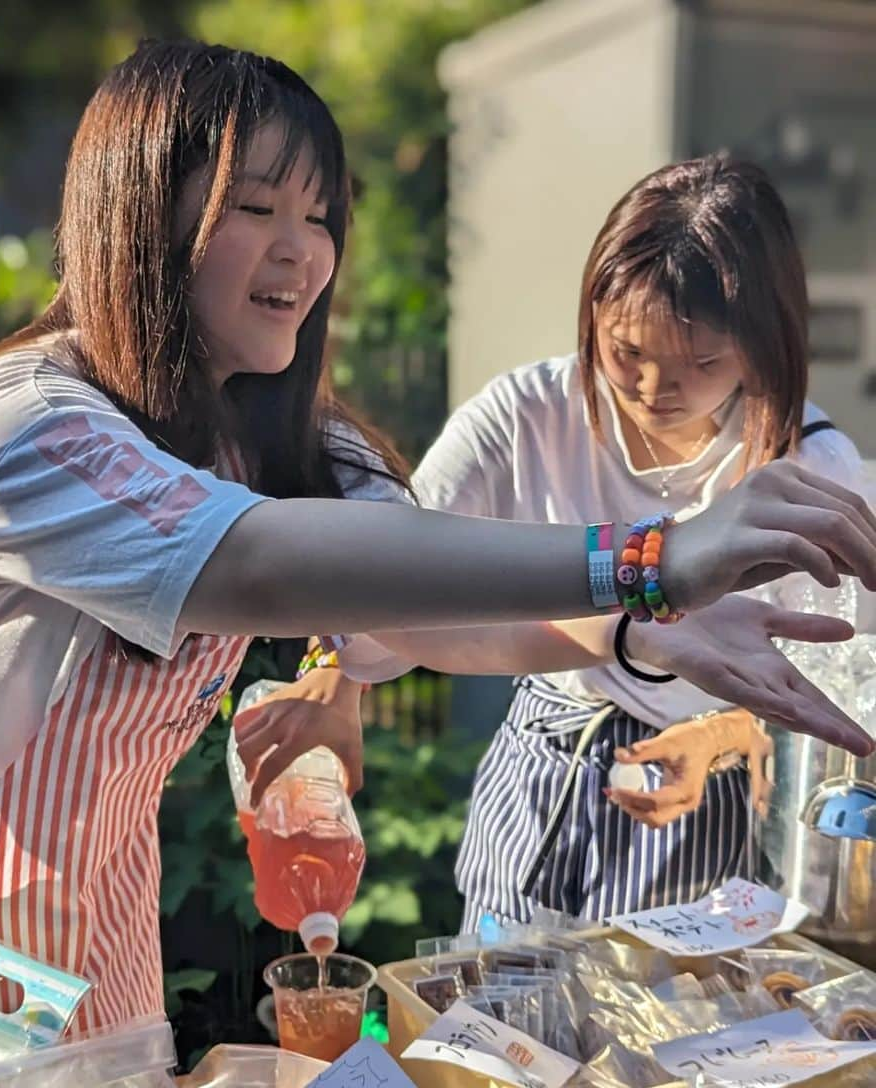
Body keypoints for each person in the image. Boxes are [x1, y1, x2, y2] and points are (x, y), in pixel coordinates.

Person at [0, 43, 875, 1031]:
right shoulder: (28, 423)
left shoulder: (278, 432)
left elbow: (411, 595)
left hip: (101, 883)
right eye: (257, 207)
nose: (301, 254)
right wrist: (650, 561)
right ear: (134, 217)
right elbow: (254, 563)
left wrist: (633, 634)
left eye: (320, 218)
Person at [239, 155, 876, 930]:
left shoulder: (811, 470)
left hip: (695, 797)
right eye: (624, 352)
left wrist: (721, 734)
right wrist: (337, 678)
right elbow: (396, 562)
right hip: (543, 762)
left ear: (765, 342)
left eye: (700, 363)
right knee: (495, 1017)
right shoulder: (526, 412)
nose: (650, 390)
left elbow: (839, 693)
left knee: (654, 1027)